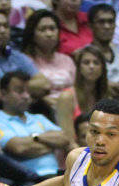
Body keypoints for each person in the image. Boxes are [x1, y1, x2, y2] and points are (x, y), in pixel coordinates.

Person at [0, 71, 72, 178]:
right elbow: (18, 148)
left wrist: (34, 138)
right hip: (27, 179)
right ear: (3, 94)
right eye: (20, 91)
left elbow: (64, 139)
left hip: (56, 174)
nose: (26, 96)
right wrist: (50, 144)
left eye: (28, 91)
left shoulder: (39, 118)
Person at [21, 9, 77, 139]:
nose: (49, 34)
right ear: (32, 34)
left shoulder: (67, 60)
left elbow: (78, 89)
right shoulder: (26, 61)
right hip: (42, 112)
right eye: (42, 29)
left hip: (72, 110)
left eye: (52, 29)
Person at [88, 4, 119, 84]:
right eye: (101, 22)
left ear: (115, 25)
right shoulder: (83, 56)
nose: (107, 26)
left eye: (111, 22)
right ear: (90, 26)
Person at [73, 45, 110, 118]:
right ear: (79, 67)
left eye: (96, 63)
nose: (91, 66)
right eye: (86, 62)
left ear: (103, 69)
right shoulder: (67, 97)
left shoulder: (108, 97)